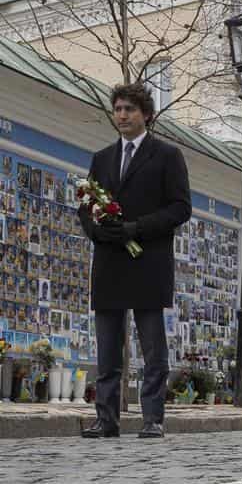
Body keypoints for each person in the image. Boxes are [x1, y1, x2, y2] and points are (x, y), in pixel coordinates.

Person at [78, 83, 191, 439]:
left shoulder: (167, 155)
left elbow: (180, 208)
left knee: (153, 347)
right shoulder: (102, 158)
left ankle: (152, 418)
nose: (122, 116)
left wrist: (136, 228)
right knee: (108, 348)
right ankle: (106, 418)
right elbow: (86, 206)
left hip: (149, 262)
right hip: (110, 261)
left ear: (146, 114)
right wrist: (100, 232)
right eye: (118, 110)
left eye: (129, 109)